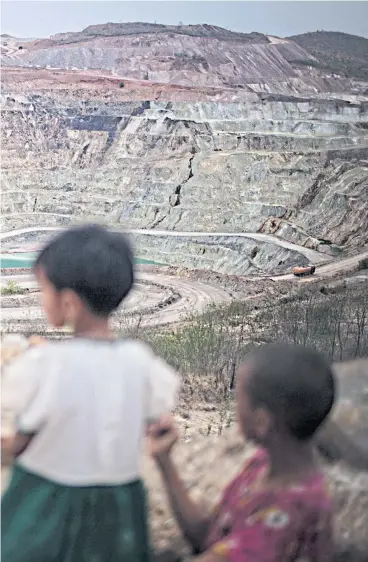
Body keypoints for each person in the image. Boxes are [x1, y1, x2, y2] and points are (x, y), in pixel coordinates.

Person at [1, 224, 179, 562]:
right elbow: (155, 422)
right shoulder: (142, 363)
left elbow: (19, 442)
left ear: (68, 303)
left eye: (43, 289)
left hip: (45, 507)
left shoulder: (45, 365)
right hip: (120, 512)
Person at [149, 344, 335, 561]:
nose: (236, 406)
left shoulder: (289, 512)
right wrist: (164, 460)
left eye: (239, 398)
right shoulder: (263, 466)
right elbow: (205, 536)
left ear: (261, 421)